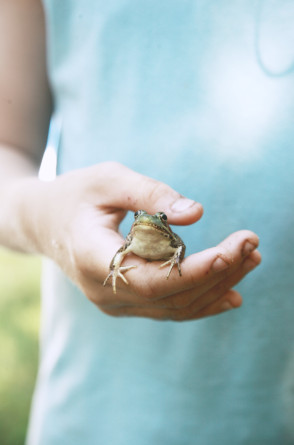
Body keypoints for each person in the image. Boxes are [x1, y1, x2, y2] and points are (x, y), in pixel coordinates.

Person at [0, 1, 293, 444]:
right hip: (100, 418)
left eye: (150, 220)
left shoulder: (163, 237)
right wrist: (51, 224)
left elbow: (175, 247)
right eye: (144, 220)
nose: (145, 223)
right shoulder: (139, 234)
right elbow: (8, 145)